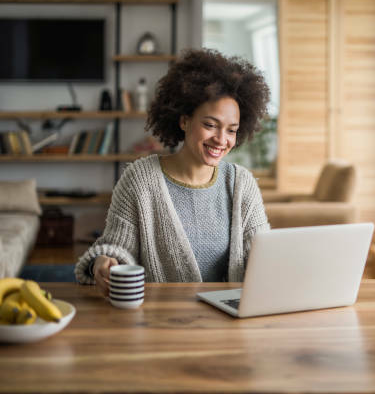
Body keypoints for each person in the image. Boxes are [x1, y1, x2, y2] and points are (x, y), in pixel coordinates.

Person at [74, 49, 271, 297]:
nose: (221, 140)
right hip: (160, 319)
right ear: (184, 121)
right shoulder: (140, 179)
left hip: (227, 320)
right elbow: (116, 247)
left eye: (231, 130)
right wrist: (105, 262)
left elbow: (264, 254)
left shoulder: (242, 184)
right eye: (210, 125)